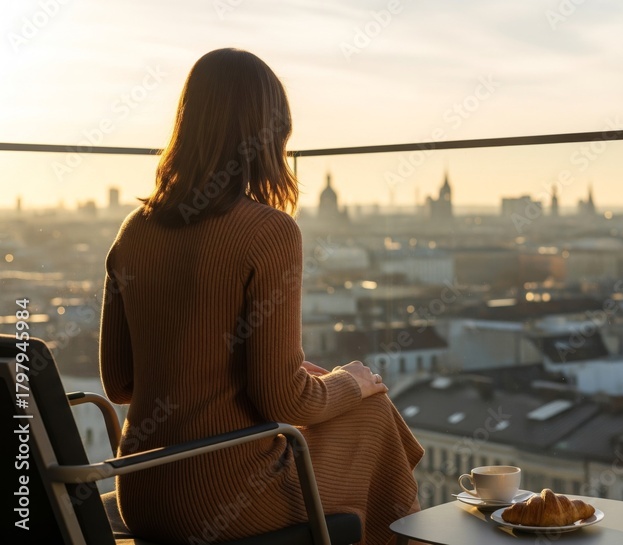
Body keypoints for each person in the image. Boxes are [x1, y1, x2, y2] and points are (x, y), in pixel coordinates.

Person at [99, 48, 423, 545]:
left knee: (364, 411)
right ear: (267, 137)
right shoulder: (269, 232)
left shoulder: (133, 231)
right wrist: (351, 383)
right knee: (373, 411)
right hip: (225, 498)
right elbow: (283, 398)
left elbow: (120, 383)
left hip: (142, 492)